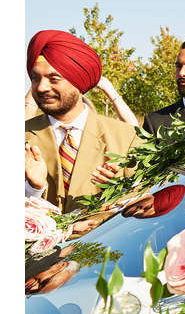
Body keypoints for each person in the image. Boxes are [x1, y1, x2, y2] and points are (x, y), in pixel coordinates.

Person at [24, 30, 141, 213]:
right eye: (35, 78)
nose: (41, 87)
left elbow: (144, 203)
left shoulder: (127, 138)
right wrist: (33, 189)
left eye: (54, 79)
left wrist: (119, 191)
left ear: (79, 82)